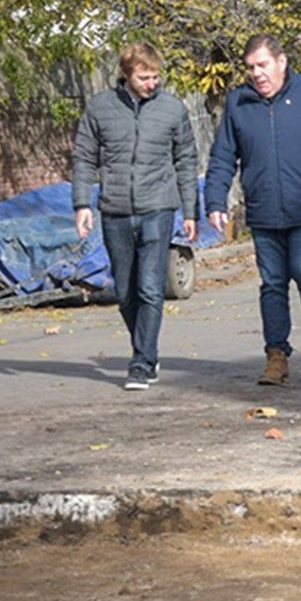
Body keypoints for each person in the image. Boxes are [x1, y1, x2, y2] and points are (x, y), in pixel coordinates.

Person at [206, 33, 301, 385]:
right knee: (272, 283)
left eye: (263, 65)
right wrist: (215, 200)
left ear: (281, 62)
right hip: (263, 210)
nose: (257, 74)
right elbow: (223, 155)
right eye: (250, 68)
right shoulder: (238, 103)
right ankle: (276, 356)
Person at [72, 42, 199, 391]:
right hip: (114, 210)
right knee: (125, 292)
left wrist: (191, 211)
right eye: (144, 77)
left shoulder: (172, 109)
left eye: (156, 76)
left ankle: (142, 362)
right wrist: (82, 204)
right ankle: (146, 348)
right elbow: (84, 157)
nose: (152, 83)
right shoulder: (100, 108)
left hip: (158, 207)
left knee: (149, 288)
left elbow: (186, 160)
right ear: (127, 75)